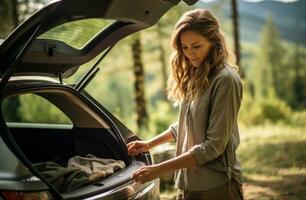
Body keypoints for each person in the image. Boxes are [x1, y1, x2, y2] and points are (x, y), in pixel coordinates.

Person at [127, 8, 243, 200]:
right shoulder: (197, 74)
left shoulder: (226, 80)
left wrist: (159, 169)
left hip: (217, 186)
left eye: (196, 46)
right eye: (184, 47)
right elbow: (185, 125)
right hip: (187, 184)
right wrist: (149, 144)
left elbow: (213, 146)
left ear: (214, 41)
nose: (190, 54)